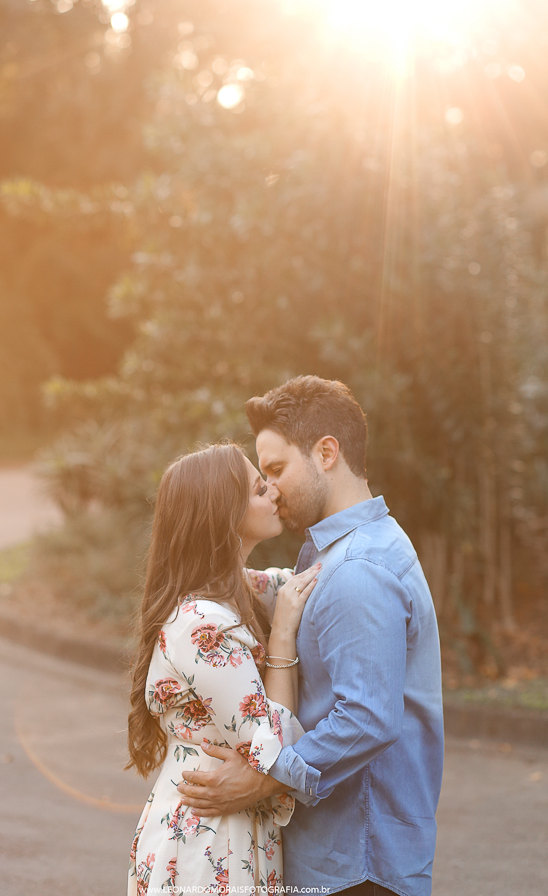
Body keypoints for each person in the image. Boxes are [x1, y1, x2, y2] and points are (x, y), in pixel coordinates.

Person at [178, 376, 444, 896]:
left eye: (277, 470)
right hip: (347, 859)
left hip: (358, 864)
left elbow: (366, 717)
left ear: (326, 453)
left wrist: (264, 777)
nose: (270, 488)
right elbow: (276, 590)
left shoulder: (358, 570)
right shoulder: (342, 552)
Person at [126, 441, 321, 895]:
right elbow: (272, 744)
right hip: (207, 839)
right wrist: (282, 634)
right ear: (225, 514)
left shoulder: (240, 590)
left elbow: (299, 582)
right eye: (259, 489)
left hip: (231, 827)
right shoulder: (201, 624)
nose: (274, 491)